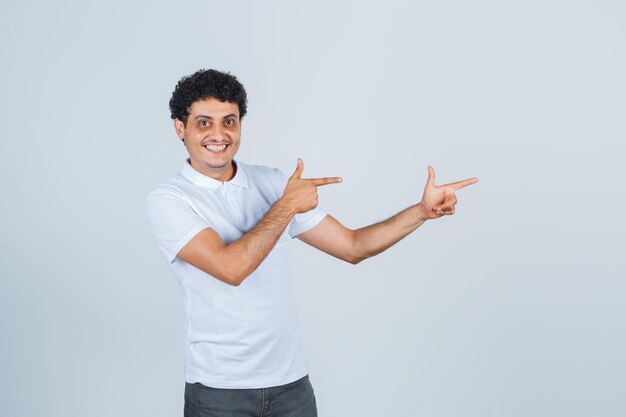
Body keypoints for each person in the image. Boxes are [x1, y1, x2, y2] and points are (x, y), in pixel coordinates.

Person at [145, 68, 478, 417]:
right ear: (180, 128)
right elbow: (231, 268)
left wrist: (422, 212)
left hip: (291, 387)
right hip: (219, 391)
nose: (218, 134)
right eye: (203, 123)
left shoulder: (271, 182)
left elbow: (352, 246)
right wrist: (287, 205)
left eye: (229, 121)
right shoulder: (169, 200)